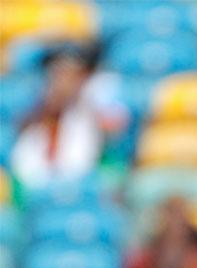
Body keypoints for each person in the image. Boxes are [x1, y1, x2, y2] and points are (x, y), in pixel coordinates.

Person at [10, 43, 129, 192]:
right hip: (39, 187)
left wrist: (85, 102)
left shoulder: (98, 100)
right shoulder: (37, 110)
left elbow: (115, 132)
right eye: (57, 74)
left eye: (71, 75)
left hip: (87, 184)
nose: (63, 82)